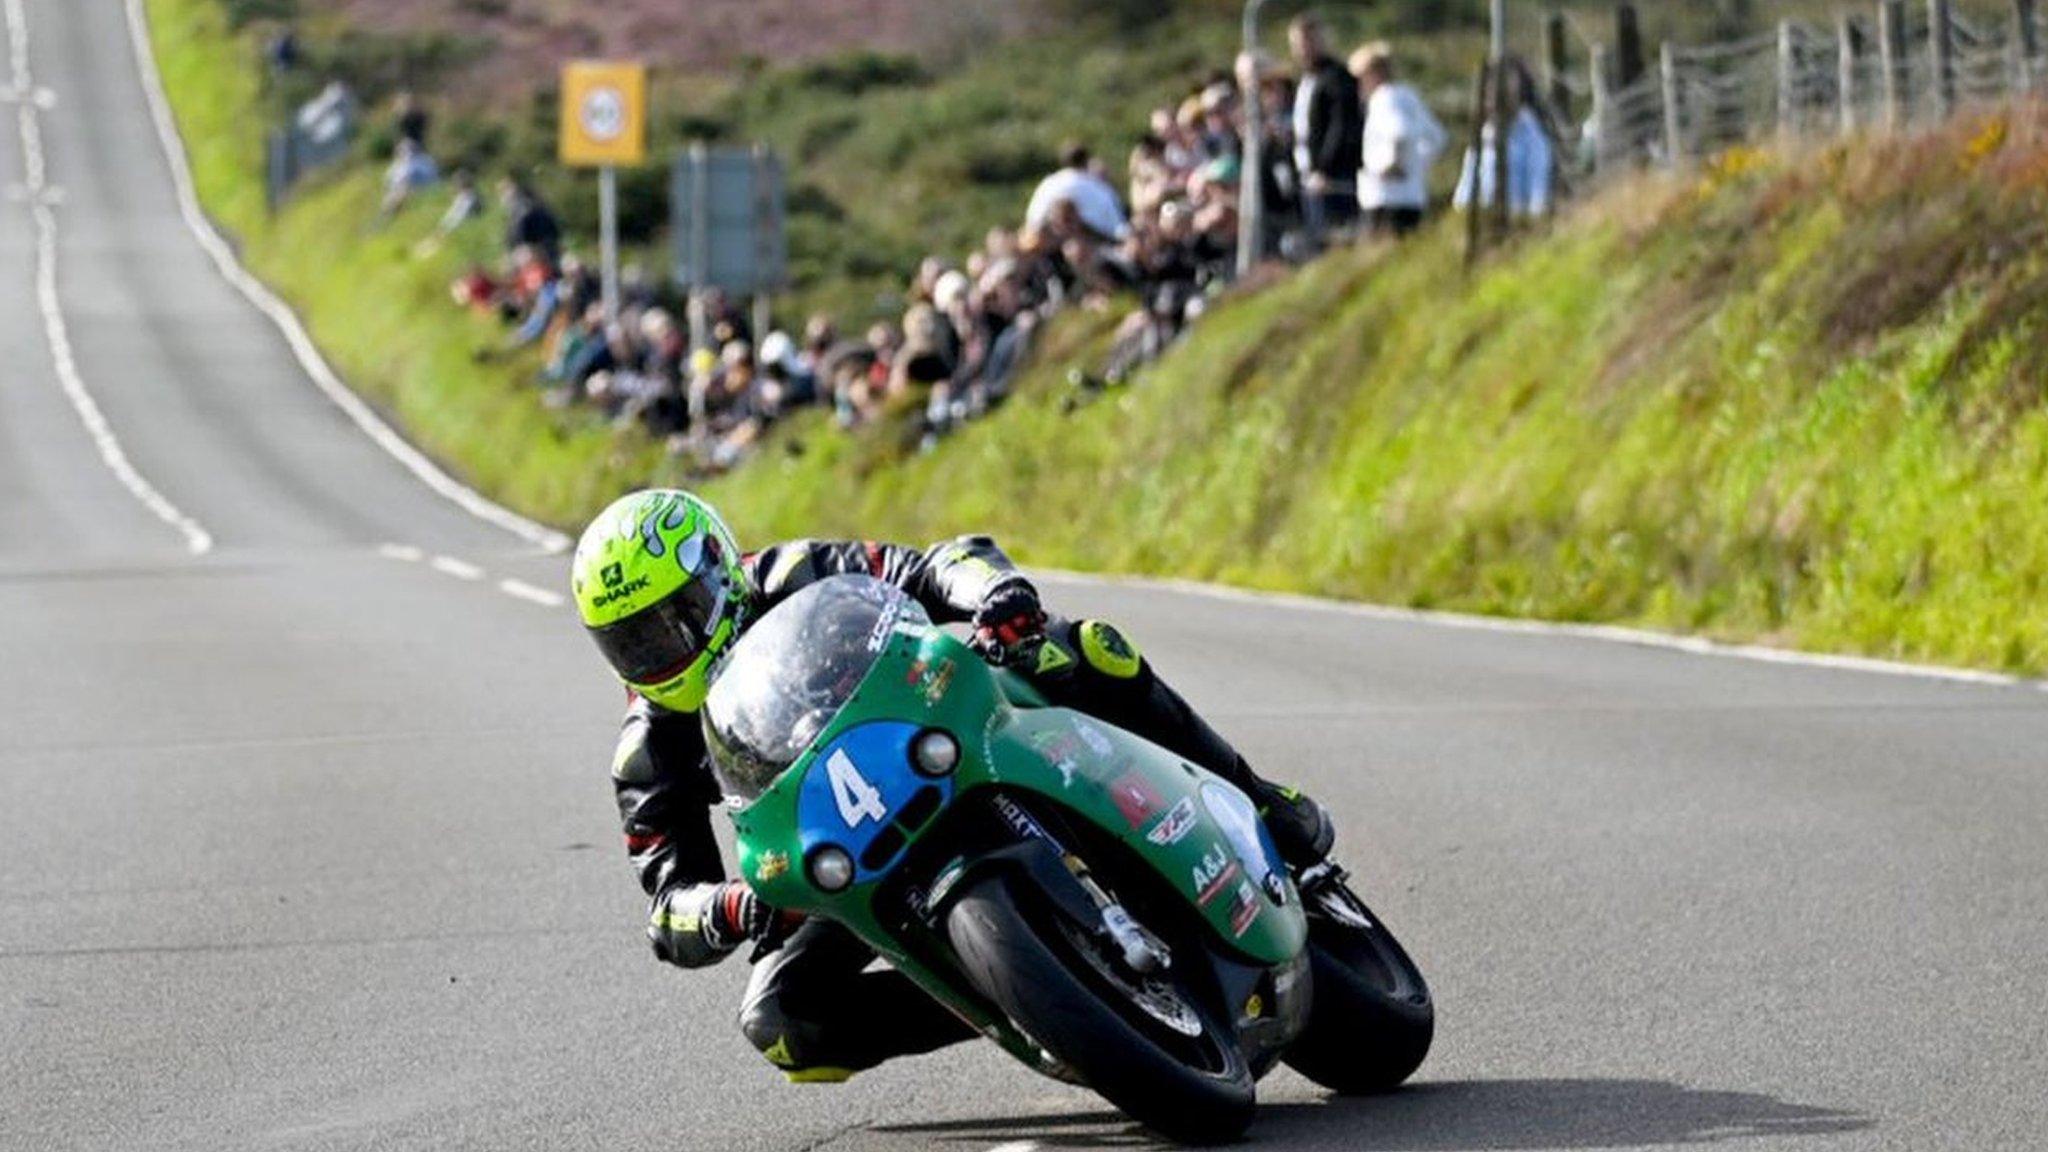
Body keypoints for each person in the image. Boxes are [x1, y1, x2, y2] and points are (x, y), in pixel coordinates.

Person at [571, 490, 1341, 1081]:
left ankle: (1260, 797)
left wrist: (994, 595)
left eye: (675, 617)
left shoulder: (792, 572)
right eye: (632, 639)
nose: (660, 649)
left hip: (957, 730)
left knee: (1083, 650)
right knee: (780, 1022)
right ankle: (1028, 999)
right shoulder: (649, 749)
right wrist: (729, 907)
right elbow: (666, 906)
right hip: (853, 856)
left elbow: (934, 562)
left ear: (715, 572)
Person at [1351, 42, 1446, 237]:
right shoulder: (1408, 96)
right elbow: (1437, 138)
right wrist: (1418, 164)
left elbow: (1398, 131)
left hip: (1385, 199)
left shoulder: (1384, 98)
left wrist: (1392, 163)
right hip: (1412, 196)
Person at [1288, 14, 1364, 240]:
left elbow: (1341, 126)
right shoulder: (1307, 80)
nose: (1304, 49)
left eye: (1309, 42)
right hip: (1309, 174)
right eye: (1299, 44)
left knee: (1337, 235)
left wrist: (1325, 168)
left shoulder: (1336, 77)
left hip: (1332, 178)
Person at [1024, 143, 1129, 243]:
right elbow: (1117, 225)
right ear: (1086, 161)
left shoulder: (1048, 183)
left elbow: (1032, 219)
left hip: (1050, 240)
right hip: (1096, 242)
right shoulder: (1096, 185)